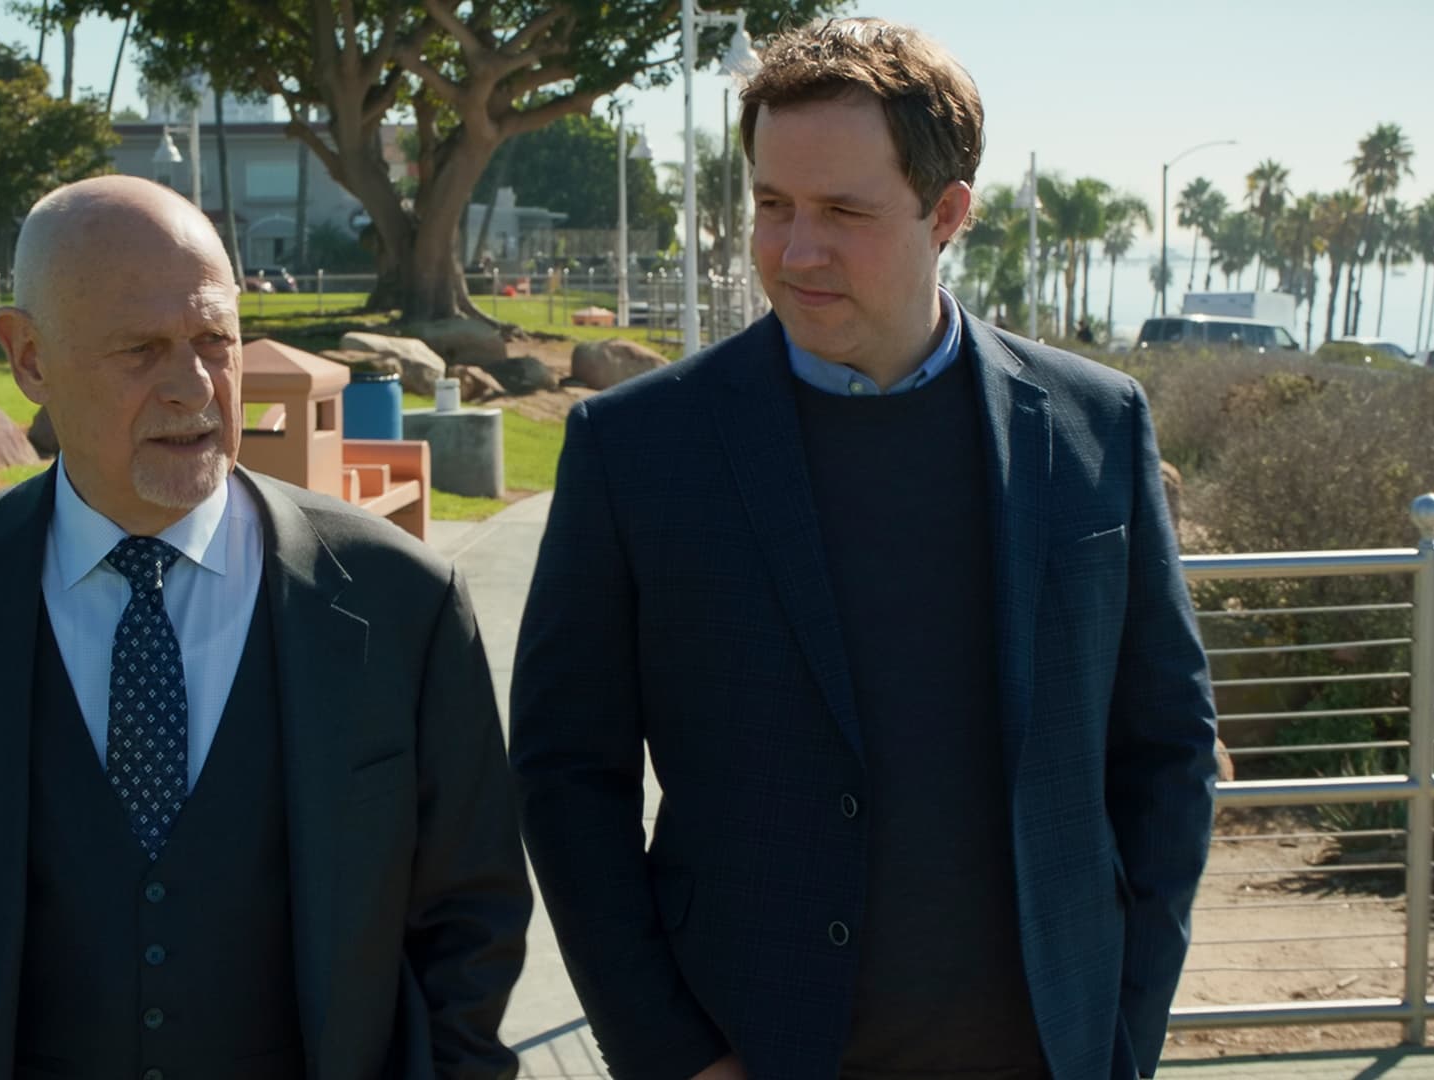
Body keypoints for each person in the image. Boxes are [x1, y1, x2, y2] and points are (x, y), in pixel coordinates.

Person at [511, 18, 1216, 1080]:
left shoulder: (1097, 424)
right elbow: (566, 772)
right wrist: (671, 1054)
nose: (796, 250)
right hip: (753, 1052)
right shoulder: (635, 449)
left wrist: (1122, 1034)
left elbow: (1167, 749)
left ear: (948, 214)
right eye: (772, 206)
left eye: (843, 211)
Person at [0, 175, 530, 1080]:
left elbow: (473, 924)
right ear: (29, 358)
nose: (193, 388)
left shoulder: (400, 599)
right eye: (141, 350)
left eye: (214, 341)